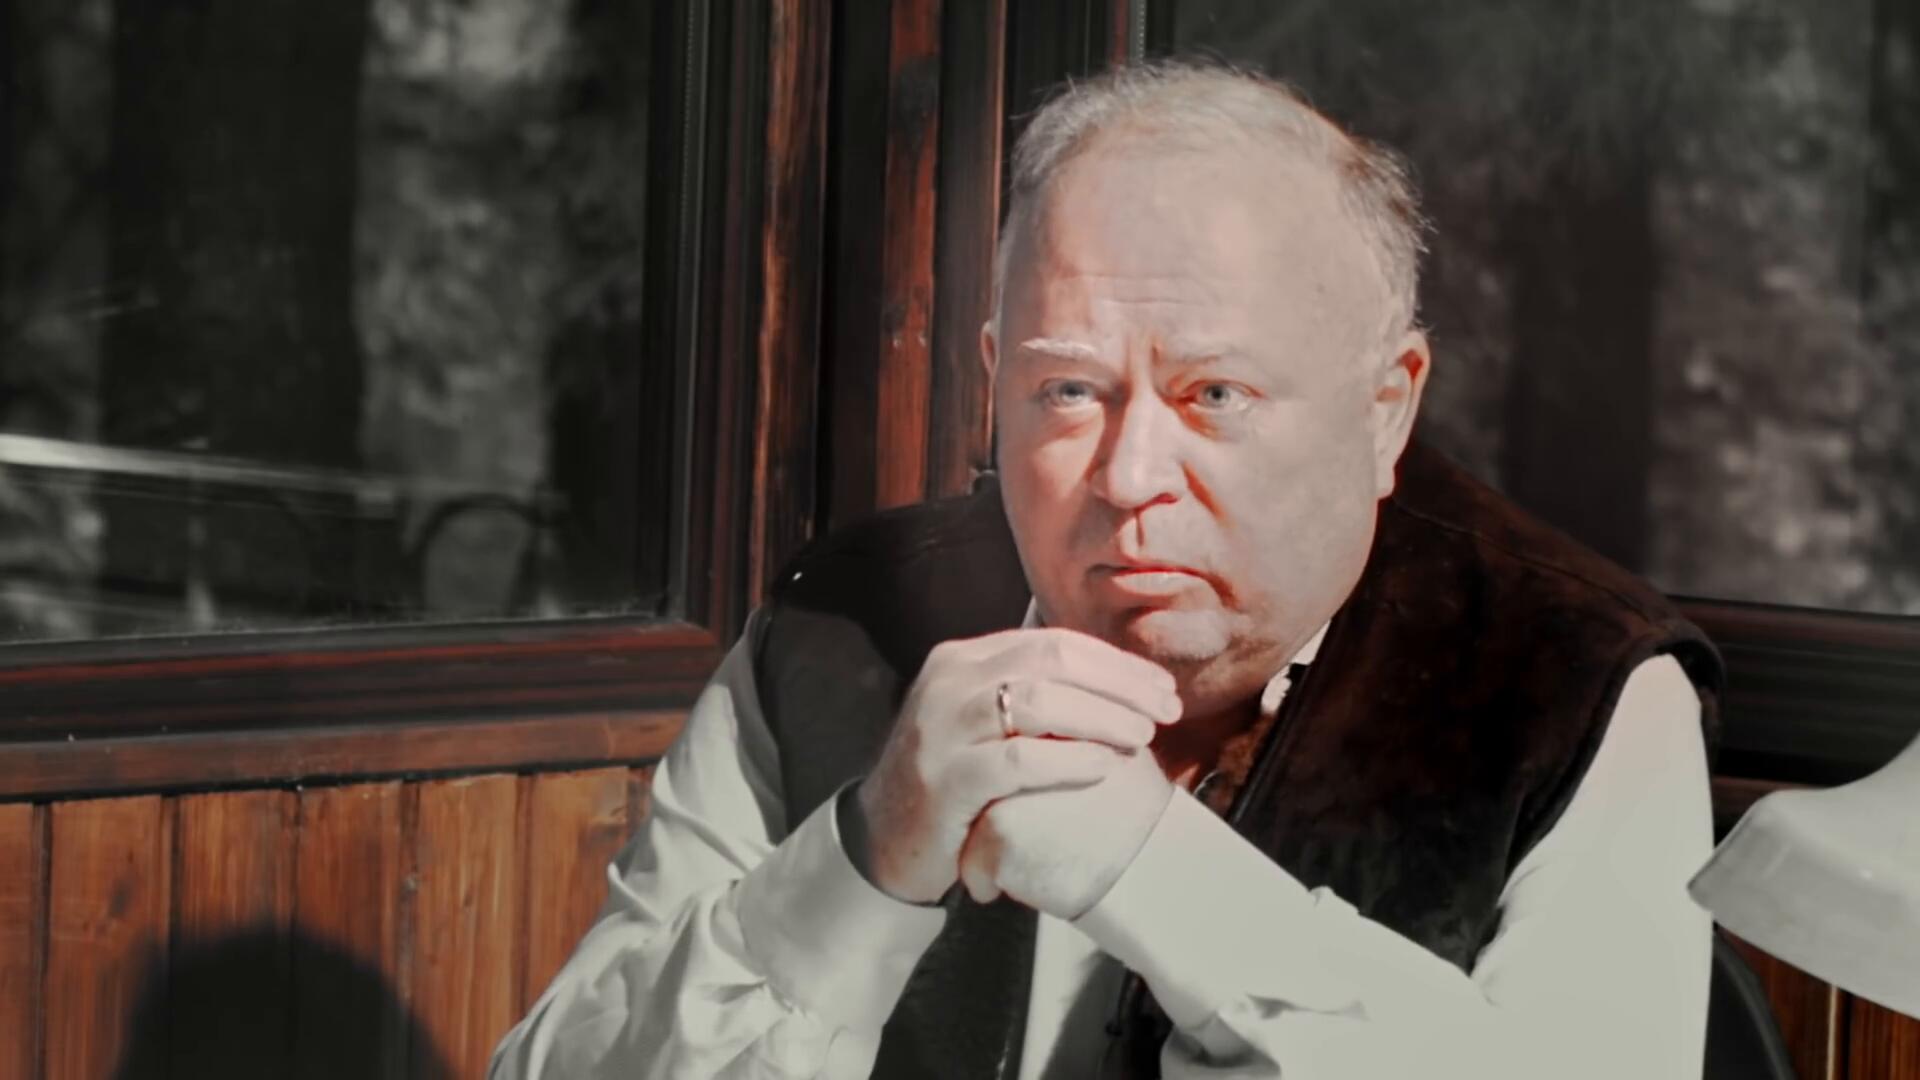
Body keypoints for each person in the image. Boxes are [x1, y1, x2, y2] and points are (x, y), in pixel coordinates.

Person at [489, 60, 1721, 1079]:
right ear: (994, 384)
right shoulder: (836, 629)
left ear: (1385, 408)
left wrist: (1156, 878)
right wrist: (863, 855)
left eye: (1215, 395)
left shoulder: (1582, 683)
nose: (1129, 475)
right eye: (1069, 390)